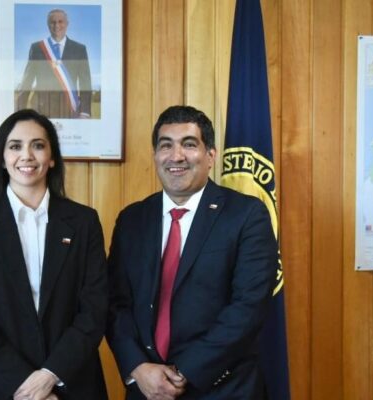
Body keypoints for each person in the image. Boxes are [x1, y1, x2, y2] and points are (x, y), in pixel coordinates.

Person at [106, 105, 279, 399]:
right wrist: (137, 367)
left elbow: (248, 307)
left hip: (222, 389)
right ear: (155, 156)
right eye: (166, 146)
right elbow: (114, 304)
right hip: (147, 389)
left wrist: (184, 372)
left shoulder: (247, 215)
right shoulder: (132, 219)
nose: (176, 156)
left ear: (210, 156)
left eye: (188, 144)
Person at [0, 109, 108, 400]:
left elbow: (94, 309)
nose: (26, 155)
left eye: (38, 145)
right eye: (15, 146)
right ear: (2, 159)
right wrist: (26, 386)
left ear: (52, 157)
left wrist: (50, 376)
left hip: (71, 384)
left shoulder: (84, 222)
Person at [16, 9, 93, 119]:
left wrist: (85, 112)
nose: (57, 25)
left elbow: (85, 83)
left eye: (60, 22)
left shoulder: (80, 49)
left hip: (69, 109)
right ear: (48, 24)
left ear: (67, 24)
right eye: (53, 22)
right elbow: (27, 81)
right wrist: (19, 111)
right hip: (41, 110)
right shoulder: (37, 48)